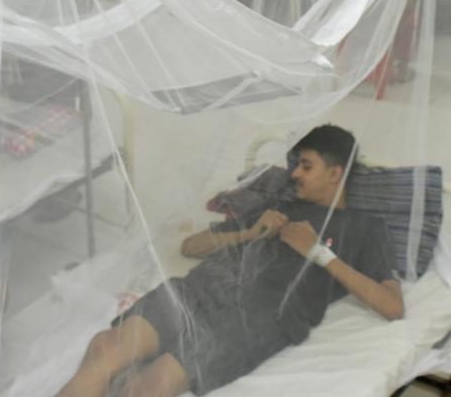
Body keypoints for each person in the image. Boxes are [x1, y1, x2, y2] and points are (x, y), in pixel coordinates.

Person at [57, 125, 403, 397]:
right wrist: (249, 232)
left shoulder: (365, 228)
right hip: (198, 290)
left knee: (147, 386)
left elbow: (392, 306)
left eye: (306, 165)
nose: (295, 173)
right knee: (105, 348)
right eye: (296, 164)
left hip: (257, 319)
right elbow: (191, 247)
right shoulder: (279, 206)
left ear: (335, 172)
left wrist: (319, 253)